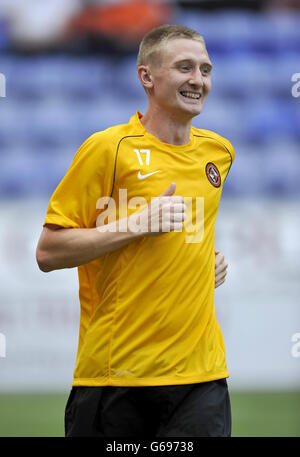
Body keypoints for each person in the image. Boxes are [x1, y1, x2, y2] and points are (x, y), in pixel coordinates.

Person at [36, 24, 234, 437]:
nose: (198, 80)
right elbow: (49, 252)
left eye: (205, 69)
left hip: (201, 377)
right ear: (147, 77)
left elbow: (184, 234)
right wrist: (136, 224)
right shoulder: (108, 149)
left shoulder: (218, 153)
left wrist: (201, 266)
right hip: (117, 376)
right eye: (184, 68)